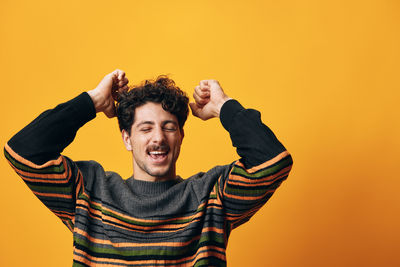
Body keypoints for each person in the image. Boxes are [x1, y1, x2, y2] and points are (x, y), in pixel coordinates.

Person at [4, 69, 293, 266]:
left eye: (169, 127)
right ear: (127, 138)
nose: (158, 137)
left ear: (180, 136)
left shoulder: (211, 197)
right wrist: (92, 102)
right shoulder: (88, 192)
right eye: (146, 128)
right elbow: (24, 151)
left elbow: (272, 162)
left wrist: (224, 106)